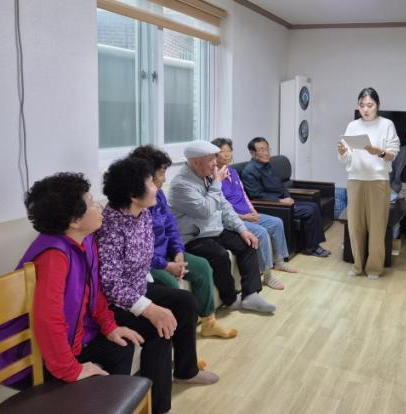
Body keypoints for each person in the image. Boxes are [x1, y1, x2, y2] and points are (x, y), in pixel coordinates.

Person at [98, 158, 219, 414]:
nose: (157, 186)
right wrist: (149, 308)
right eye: (151, 183)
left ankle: (186, 371)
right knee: (159, 329)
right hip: (115, 303)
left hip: (139, 288)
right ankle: (157, 407)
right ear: (133, 195)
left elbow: (145, 256)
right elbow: (110, 283)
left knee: (185, 302)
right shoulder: (111, 225)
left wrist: (171, 261)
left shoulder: (142, 213)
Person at [16, 173, 142, 383]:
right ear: (74, 220)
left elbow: (95, 291)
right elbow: (47, 319)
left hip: (75, 336)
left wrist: (110, 326)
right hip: (40, 353)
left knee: (122, 348)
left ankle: (111, 399)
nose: (99, 207)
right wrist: (70, 369)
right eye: (91, 203)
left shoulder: (86, 240)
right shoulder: (53, 256)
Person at [129, 145, 238, 338]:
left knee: (202, 267)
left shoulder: (158, 194)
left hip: (167, 253)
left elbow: (170, 225)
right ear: (145, 176)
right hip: (149, 263)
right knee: (172, 286)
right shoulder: (134, 205)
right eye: (161, 173)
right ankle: (177, 335)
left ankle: (209, 322)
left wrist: (178, 251)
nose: (164, 179)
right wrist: (166, 265)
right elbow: (138, 251)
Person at [169, 141, 276, 314]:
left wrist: (242, 230)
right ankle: (231, 299)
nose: (215, 164)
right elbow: (205, 210)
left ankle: (250, 295)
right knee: (220, 255)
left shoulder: (207, 175)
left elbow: (225, 206)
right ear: (196, 162)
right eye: (211, 160)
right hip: (193, 237)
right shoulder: (181, 184)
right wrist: (217, 183)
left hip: (214, 230)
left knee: (249, 243)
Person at [211, 137, 298, 290]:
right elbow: (220, 207)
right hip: (235, 218)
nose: (227, 154)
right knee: (261, 232)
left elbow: (244, 194)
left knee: (277, 222)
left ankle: (279, 261)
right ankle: (267, 276)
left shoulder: (233, 172)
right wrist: (244, 217)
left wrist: (252, 210)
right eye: (223, 152)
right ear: (214, 155)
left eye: (229, 151)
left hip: (248, 213)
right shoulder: (213, 177)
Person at [337, 87, 401, 279]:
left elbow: (392, 154)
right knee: (355, 225)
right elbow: (347, 156)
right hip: (355, 179)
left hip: (378, 180)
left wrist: (378, 152)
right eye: (362, 105)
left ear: (377, 105)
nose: (365, 109)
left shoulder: (387, 124)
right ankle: (357, 265)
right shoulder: (352, 126)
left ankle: (374, 268)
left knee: (377, 226)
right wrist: (343, 152)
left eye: (370, 105)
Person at [242, 137, 330, 258]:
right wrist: (280, 201)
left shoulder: (267, 165)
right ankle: (312, 248)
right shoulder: (250, 171)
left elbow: (280, 186)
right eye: (262, 150)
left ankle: (314, 245)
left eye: (267, 149)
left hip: (284, 202)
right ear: (253, 153)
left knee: (314, 205)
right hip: (274, 206)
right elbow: (256, 195)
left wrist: (288, 197)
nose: (267, 153)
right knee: (309, 210)